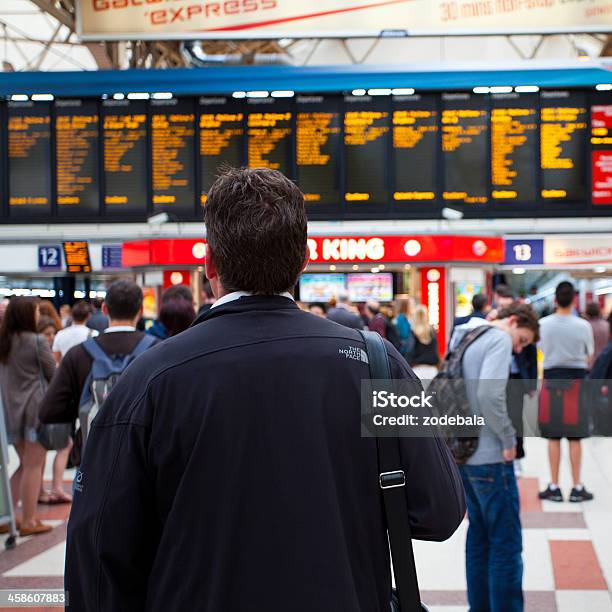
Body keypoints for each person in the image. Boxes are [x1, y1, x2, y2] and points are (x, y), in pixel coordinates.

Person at [64, 167, 465, 611]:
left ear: (210, 264)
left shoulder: (149, 379)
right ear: (303, 261)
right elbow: (439, 511)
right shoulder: (377, 363)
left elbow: (98, 549)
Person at [451, 303, 539, 612]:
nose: (518, 349)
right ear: (512, 321)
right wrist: (507, 438)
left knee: (479, 538)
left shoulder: (464, 334)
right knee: (506, 544)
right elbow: (490, 395)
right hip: (489, 453)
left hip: (464, 451)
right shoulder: (498, 339)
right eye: (522, 340)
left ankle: (480, 607)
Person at [39, 279, 157, 434]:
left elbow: (48, 411)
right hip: (142, 450)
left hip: (91, 450)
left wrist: (85, 408)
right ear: (141, 311)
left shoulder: (78, 353)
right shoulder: (158, 350)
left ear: (105, 309)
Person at [0, 297, 54, 536]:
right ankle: (29, 521)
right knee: (34, 465)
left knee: (24, 465)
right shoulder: (36, 341)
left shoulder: (4, 342)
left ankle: (8, 515)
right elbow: (53, 373)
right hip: (35, 409)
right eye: (35, 311)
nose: (37, 315)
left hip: (11, 410)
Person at [538, 281, 595, 503]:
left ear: (554, 300)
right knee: (575, 436)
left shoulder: (543, 324)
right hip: (577, 383)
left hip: (552, 381)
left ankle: (554, 486)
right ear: (573, 300)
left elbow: (541, 350)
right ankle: (577, 486)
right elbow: (589, 355)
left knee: (553, 436)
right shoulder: (583, 326)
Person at [36, 316, 71, 505]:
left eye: (52, 334)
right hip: (44, 407)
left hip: (39, 407)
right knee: (64, 445)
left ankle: (42, 491)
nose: (50, 338)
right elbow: (55, 376)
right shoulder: (39, 348)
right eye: (46, 334)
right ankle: (53, 489)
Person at [407, 304, 439, 386]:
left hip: (417, 370)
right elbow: (435, 351)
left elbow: (410, 351)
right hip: (432, 371)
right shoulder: (432, 331)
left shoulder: (413, 333)